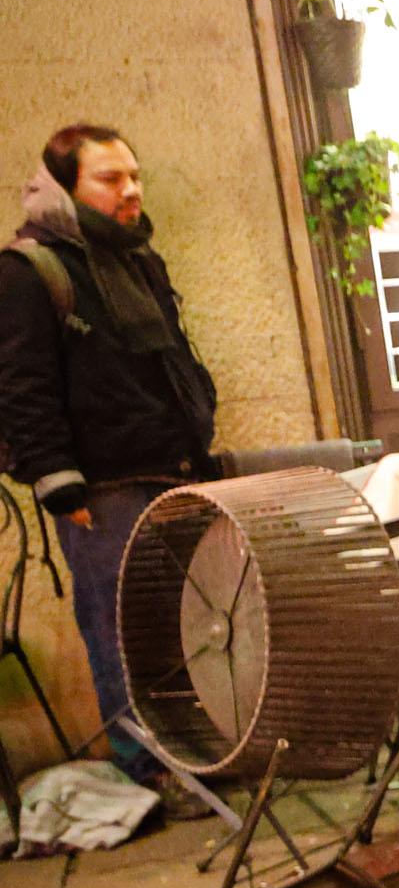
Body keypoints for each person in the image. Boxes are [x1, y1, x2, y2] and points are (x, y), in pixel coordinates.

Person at [0, 125, 220, 797]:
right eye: (109, 178)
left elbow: (169, 355)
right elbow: (20, 385)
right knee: (119, 631)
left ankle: (198, 750)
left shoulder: (135, 257)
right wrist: (60, 485)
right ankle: (150, 765)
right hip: (104, 485)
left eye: (134, 175)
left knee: (184, 624)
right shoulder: (29, 269)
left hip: (171, 469)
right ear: (65, 186)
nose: (129, 190)